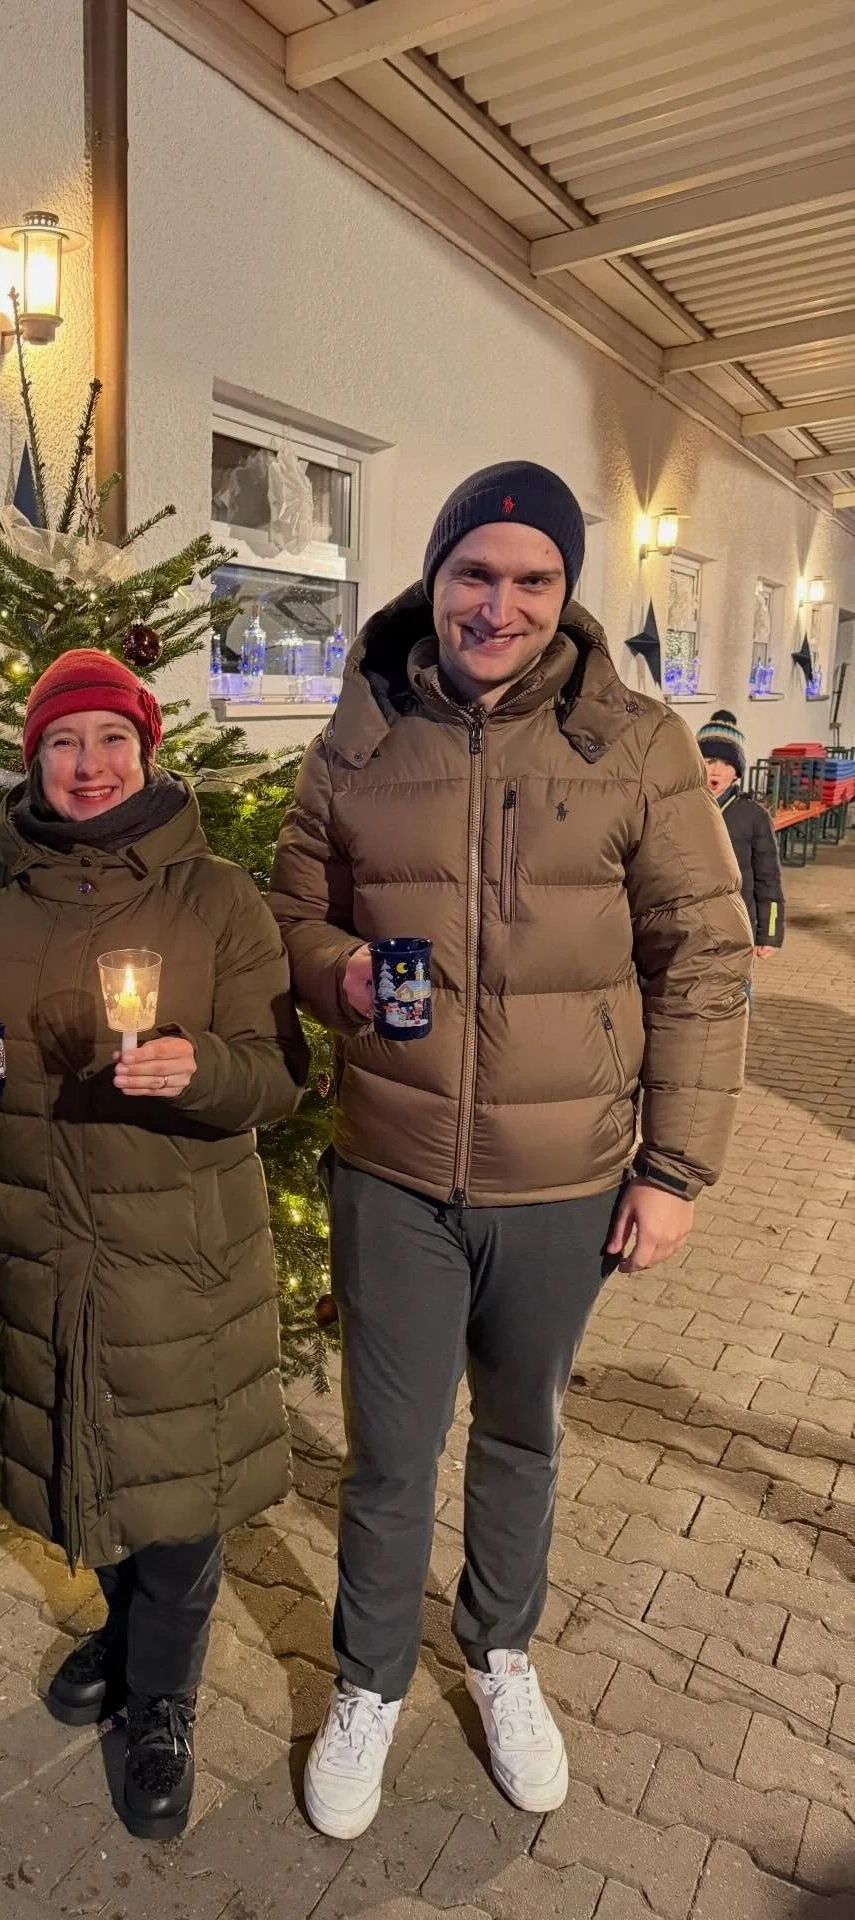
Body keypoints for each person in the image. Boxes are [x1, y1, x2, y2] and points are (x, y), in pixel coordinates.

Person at [269, 461, 751, 1840]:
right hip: (395, 1166)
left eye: (533, 579)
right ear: (434, 579)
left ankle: (498, 1655)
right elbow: (293, 912)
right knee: (388, 1453)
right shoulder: (358, 737)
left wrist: (675, 1172)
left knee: (524, 1434)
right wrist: (340, 976)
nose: (500, 605)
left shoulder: (638, 747)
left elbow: (704, 960)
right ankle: (366, 1680)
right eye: (475, 575)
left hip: (568, 1176)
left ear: (566, 593)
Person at [0, 648, 308, 1840]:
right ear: (34, 760)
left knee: (180, 1502)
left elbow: (282, 1075)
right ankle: (120, 1628)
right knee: (87, 1461)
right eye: (64, 745)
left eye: (112, 743)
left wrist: (204, 1070)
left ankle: (164, 1703)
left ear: (148, 754)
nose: (89, 768)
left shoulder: (218, 899)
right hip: (41, 1237)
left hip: (179, 1257)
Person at [697, 710, 784, 991]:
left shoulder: (753, 815)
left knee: (735, 996)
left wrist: (769, 934)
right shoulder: (680, 808)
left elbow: (768, 878)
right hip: (689, 928)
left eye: (726, 763)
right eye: (709, 760)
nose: (716, 770)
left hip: (737, 929)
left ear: (737, 772)